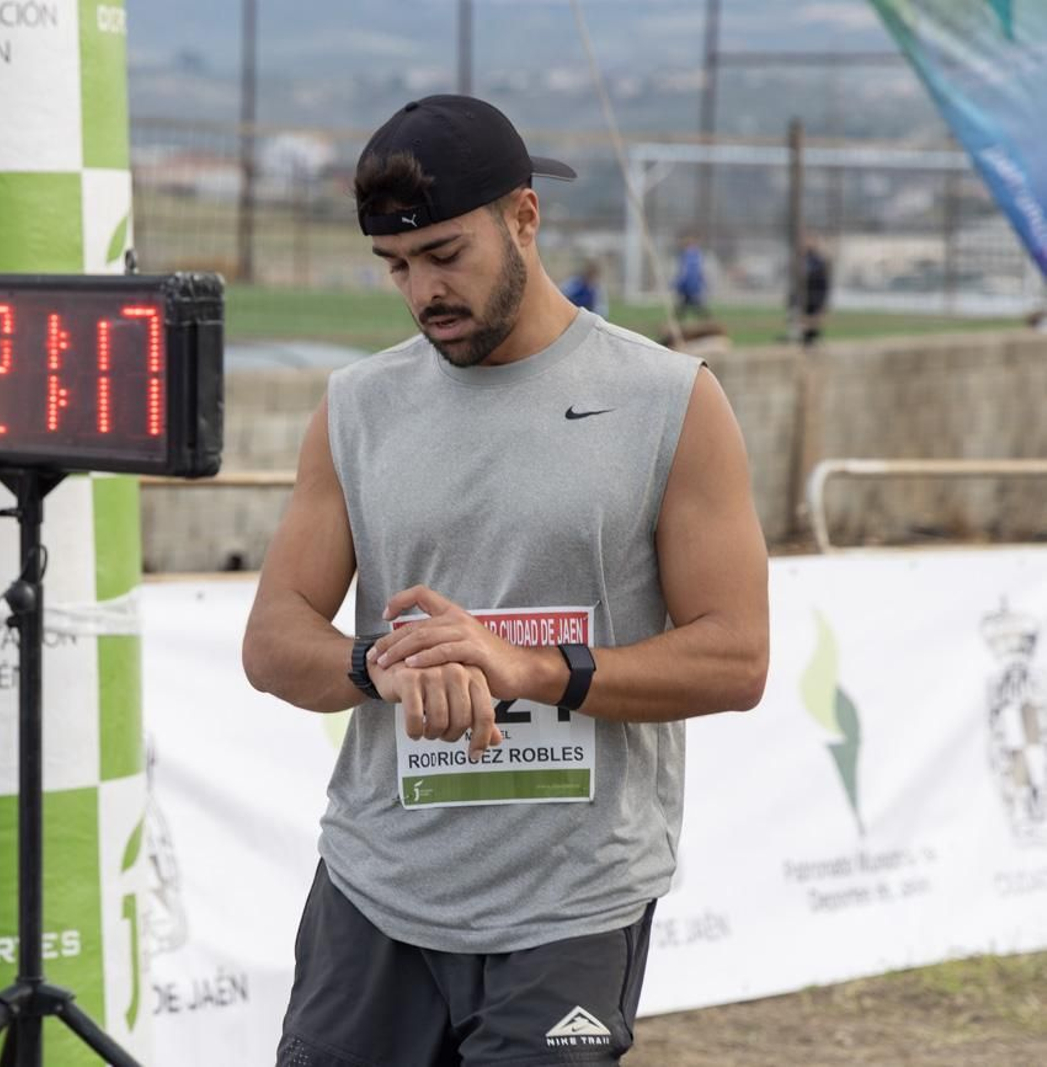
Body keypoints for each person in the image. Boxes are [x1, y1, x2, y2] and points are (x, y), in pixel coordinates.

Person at [240, 94, 770, 1066]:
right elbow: (273, 639)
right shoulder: (358, 406)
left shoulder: (669, 400)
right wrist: (384, 665)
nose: (421, 290)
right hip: (377, 886)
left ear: (523, 217)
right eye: (396, 266)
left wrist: (526, 669)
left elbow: (734, 659)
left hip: (570, 905)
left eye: (445, 254)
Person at [673, 233, 709, 319]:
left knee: (693, 304)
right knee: (687, 304)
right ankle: (706, 319)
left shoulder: (690, 255)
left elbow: (687, 272)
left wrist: (678, 283)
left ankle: (707, 319)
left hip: (689, 285)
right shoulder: (695, 255)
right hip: (690, 285)